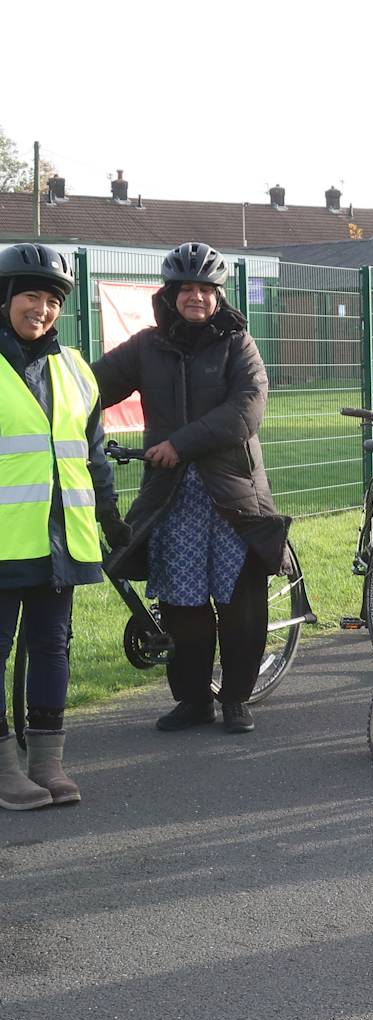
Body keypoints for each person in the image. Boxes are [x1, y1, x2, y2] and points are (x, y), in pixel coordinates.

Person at [94, 242, 291, 736]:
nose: (197, 297)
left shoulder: (238, 344)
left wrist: (179, 444)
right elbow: (89, 387)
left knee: (240, 604)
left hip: (233, 495)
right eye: (187, 289)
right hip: (173, 497)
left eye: (206, 289)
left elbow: (247, 410)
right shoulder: (145, 347)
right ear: (171, 294)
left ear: (218, 295)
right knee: (182, 603)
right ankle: (194, 700)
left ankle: (237, 700)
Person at [0, 244, 125, 810]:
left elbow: (92, 453)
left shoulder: (75, 368)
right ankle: (5, 768)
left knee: (52, 647)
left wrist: (110, 516)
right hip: (4, 540)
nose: (42, 309)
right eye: (31, 296)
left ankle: (48, 763)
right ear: (5, 299)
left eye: (51, 300)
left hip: (62, 540)